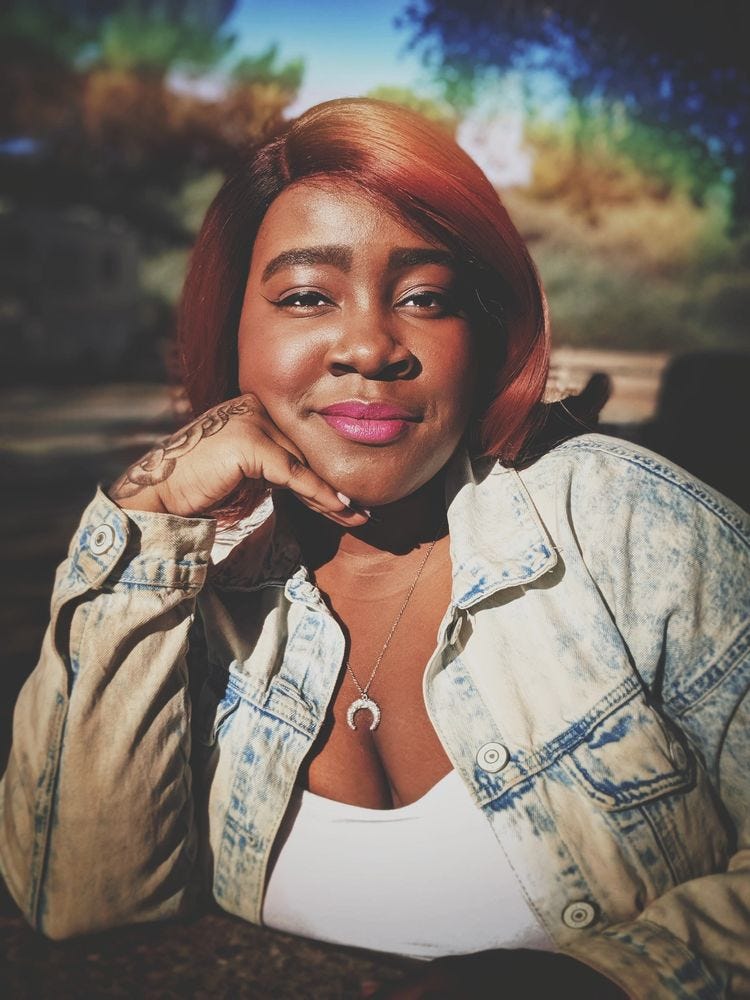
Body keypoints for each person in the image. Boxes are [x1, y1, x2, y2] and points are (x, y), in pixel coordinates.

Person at [1, 98, 748, 999]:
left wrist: (613, 979)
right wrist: (149, 514)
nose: (368, 345)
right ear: (236, 323)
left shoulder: (627, 523)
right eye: (307, 296)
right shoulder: (193, 579)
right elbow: (82, 898)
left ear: (482, 331)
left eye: (426, 297)